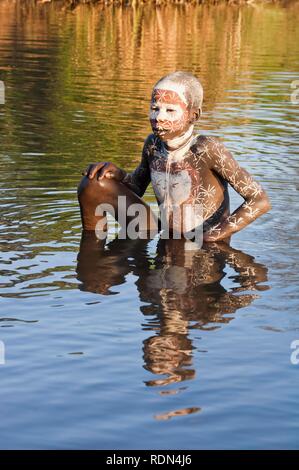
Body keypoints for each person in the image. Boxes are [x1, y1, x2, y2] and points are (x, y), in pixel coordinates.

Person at [78, 71, 271, 242]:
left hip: (201, 243)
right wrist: (119, 174)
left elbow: (259, 200)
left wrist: (216, 235)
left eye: (170, 110)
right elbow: (137, 186)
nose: (159, 117)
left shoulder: (207, 149)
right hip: (165, 233)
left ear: (193, 116)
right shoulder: (152, 145)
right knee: (93, 184)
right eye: (155, 108)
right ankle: (95, 260)